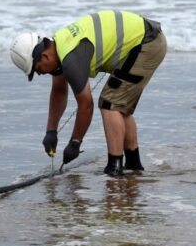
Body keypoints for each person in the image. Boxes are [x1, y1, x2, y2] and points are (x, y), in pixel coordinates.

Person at [9, 10, 166, 177]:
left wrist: (75, 143)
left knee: (109, 103)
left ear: (45, 56)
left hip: (147, 43)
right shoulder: (60, 47)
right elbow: (59, 91)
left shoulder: (70, 57)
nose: (40, 74)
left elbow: (86, 105)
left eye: (37, 69)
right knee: (118, 105)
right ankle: (133, 165)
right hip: (144, 40)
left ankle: (115, 168)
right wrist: (51, 131)